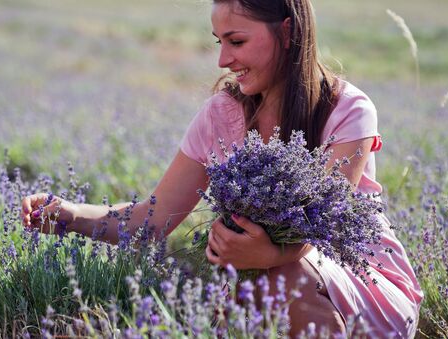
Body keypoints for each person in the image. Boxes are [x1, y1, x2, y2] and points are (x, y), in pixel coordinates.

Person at [21, 0, 423, 336]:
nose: (222, 60)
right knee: (231, 293)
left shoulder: (347, 110)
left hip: (366, 287)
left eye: (237, 41)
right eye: (219, 42)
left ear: (287, 33)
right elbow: (151, 220)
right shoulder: (221, 116)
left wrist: (268, 252)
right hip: (258, 279)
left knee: (283, 275)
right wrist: (70, 215)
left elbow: (318, 229)